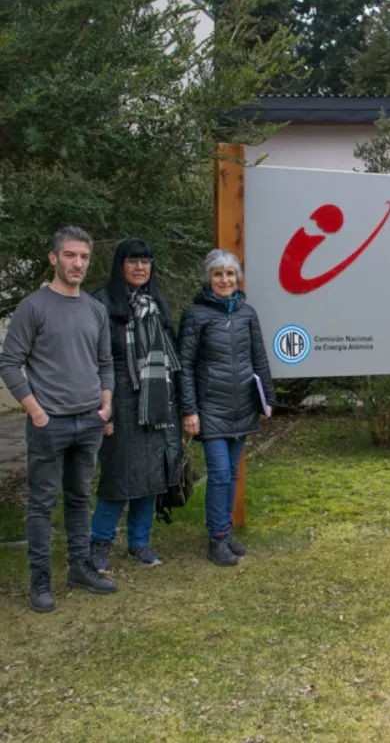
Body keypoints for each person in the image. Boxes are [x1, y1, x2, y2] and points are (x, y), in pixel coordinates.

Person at [0, 226, 118, 612]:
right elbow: (9, 362)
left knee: (80, 497)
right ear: (54, 258)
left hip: (89, 421)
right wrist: (35, 411)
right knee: (41, 504)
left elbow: (105, 363)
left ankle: (80, 568)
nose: (78, 263)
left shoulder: (94, 309)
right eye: (70, 255)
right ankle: (40, 581)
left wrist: (105, 404)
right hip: (49, 425)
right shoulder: (34, 307)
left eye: (84, 257)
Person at [88, 238, 183, 572]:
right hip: (119, 401)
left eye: (146, 261)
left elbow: (171, 359)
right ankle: (99, 545)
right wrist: (104, 410)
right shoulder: (100, 303)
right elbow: (96, 361)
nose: (141, 267)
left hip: (156, 403)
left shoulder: (156, 304)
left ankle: (139, 543)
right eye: (133, 261)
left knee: (151, 477)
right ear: (120, 264)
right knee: (117, 479)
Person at [178, 249, 276, 566]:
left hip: (242, 406)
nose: (224, 280)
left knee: (232, 474)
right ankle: (216, 539)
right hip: (211, 409)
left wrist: (268, 400)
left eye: (230, 274)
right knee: (219, 474)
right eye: (218, 274)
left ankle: (226, 531)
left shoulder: (248, 314)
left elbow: (259, 359)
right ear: (209, 278)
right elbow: (185, 366)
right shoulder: (196, 315)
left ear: (237, 278)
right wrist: (189, 410)